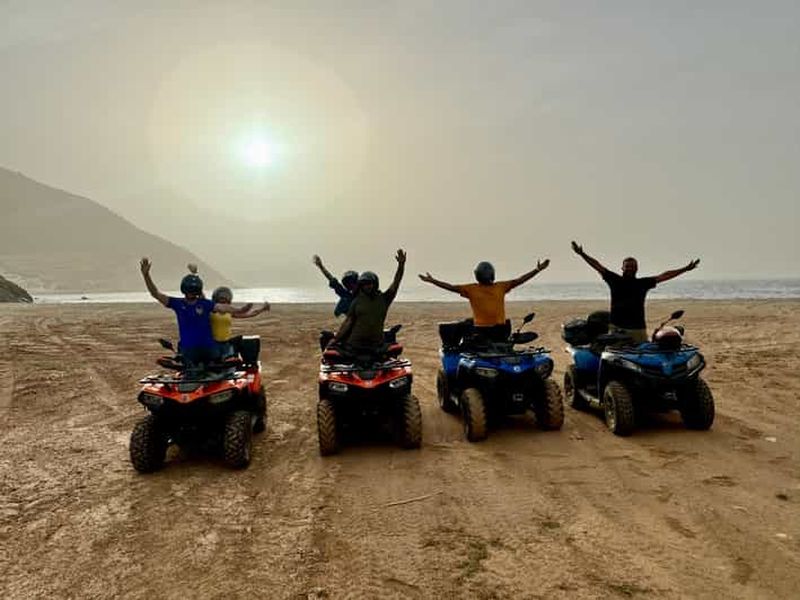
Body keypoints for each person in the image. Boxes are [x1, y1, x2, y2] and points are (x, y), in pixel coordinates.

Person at [571, 241, 700, 343]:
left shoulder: (643, 283)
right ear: (622, 268)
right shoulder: (614, 280)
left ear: (637, 268)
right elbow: (597, 266)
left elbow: (664, 275)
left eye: (633, 266)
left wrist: (685, 269)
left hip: (638, 329)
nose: (630, 268)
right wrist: (582, 254)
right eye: (627, 266)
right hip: (617, 329)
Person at [139, 257, 252, 365]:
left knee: (221, 365)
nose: (191, 293)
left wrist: (240, 309)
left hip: (208, 351)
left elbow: (223, 307)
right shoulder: (178, 303)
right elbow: (156, 294)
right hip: (190, 351)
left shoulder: (204, 304)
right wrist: (146, 276)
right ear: (184, 289)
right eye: (189, 290)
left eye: (193, 290)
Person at [418, 259, 550, 340]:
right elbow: (520, 280)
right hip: (486, 332)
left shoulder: (485, 287)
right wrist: (537, 270)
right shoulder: (494, 287)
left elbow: (451, 287)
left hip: (497, 331)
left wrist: (433, 281)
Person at [330, 249, 406, 352]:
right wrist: (335, 340)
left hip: (376, 345)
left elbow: (396, 282)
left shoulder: (384, 298)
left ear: (375, 284)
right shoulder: (356, 301)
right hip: (354, 345)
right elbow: (348, 322)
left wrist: (401, 265)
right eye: (364, 284)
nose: (367, 286)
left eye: (370, 283)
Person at [209, 286, 270, 355]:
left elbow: (249, 314)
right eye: (221, 298)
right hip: (213, 344)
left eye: (225, 298)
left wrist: (262, 309)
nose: (223, 300)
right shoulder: (210, 311)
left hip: (226, 343)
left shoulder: (230, 312)